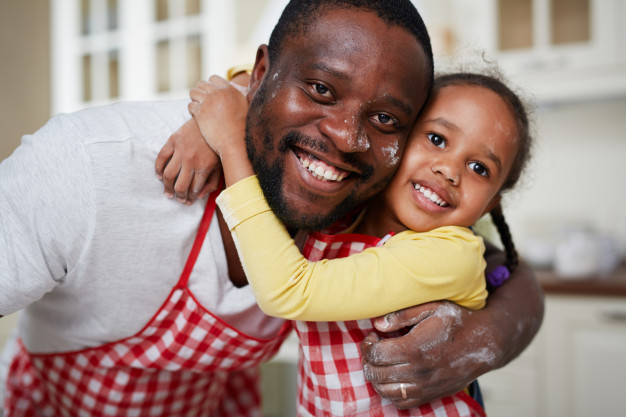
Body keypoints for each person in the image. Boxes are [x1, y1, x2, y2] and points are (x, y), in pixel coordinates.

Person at [0, 1, 543, 416]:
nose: (346, 137)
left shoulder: (357, 195)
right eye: (319, 89)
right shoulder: (89, 167)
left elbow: (498, 267)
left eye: (385, 121)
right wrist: (222, 119)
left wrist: (485, 338)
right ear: (261, 76)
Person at [158, 69, 532, 416]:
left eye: (480, 168)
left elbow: (288, 290)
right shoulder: (348, 207)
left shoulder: (451, 255)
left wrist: (227, 141)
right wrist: (211, 114)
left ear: (492, 201)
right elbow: (281, 71)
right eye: (436, 139)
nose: (449, 170)